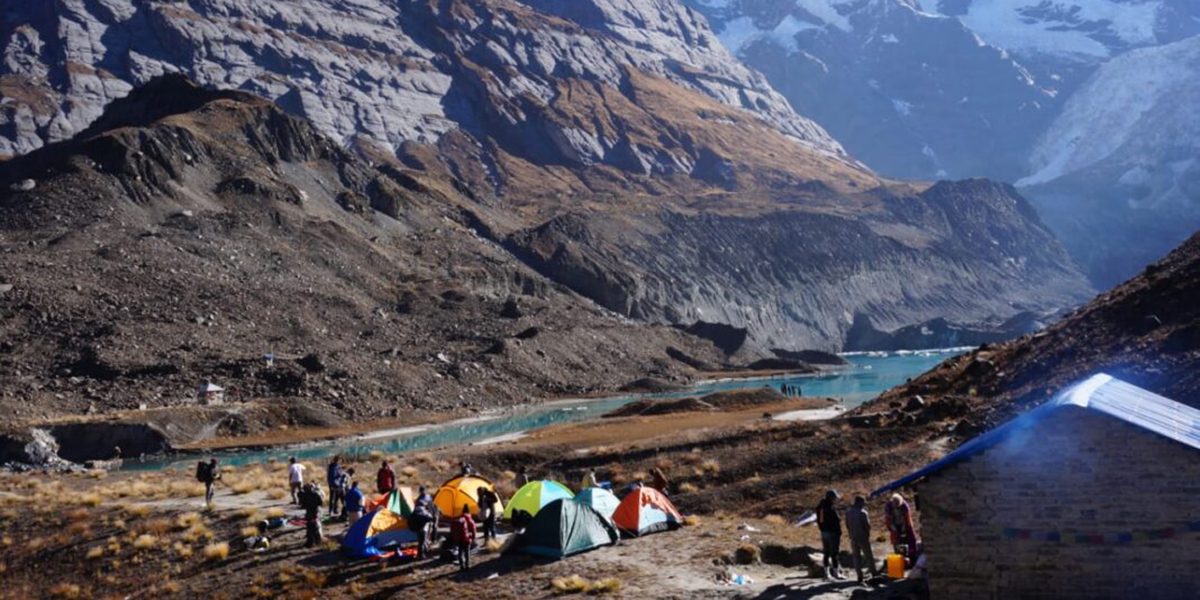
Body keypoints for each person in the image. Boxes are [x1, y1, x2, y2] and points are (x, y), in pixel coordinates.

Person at [845, 495, 879, 582]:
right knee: (868, 556)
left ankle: (859, 576)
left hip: (853, 537)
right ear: (859, 503)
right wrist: (867, 535)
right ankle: (874, 573)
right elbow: (867, 526)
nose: (863, 505)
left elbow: (847, 525)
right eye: (863, 503)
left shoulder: (848, 512)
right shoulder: (863, 513)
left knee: (856, 557)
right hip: (862, 537)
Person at [816, 489, 843, 580]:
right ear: (831, 498)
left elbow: (820, 521)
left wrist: (822, 528)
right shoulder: (831, 507)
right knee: (834, 553)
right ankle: (836, 573)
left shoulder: (820, 507)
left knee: (826, 553)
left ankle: (826, 574)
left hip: (824, 532)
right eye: (834, 498)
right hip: (833, 532)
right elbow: (836, 520)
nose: (835, 499)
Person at [884, 493, 919, 559]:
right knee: (895, 538)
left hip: (904, 522)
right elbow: (888, 519)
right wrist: (893, 528)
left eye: (898, 506)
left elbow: (907, 518)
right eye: (896, 506)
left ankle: (913, 554)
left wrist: (904, 527)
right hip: (893, 522)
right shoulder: (888, 506)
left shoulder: (904, 505)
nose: (897, 507)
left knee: (911, 536)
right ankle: (898, 554)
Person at [410, 486, 436, 559]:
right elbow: (431, 508)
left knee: (423, 539)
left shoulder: (419, 501)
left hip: (421, 523)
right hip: (425, 523)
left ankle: (424, 551)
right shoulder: (426, 499)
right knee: (424, 539)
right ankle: (422, 554)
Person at [450, 504, 477, 571]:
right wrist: (473, 538)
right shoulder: (469, 519)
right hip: (466, 538)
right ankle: (467, 565)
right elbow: (473, 528)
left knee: (460, 552)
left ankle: (461, 566)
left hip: (459, 538)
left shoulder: (460, 518)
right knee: (467, 552)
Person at [298, 482, 325, 548]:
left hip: (309, 513)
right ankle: (318, 540)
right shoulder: (317, 494)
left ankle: (311, 542)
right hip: (316, 512)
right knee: (317, 526)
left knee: (310, 527)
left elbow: (302, 505)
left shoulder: (305, 495)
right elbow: (321, 503)